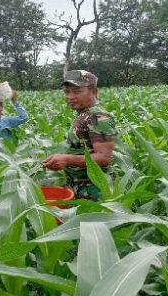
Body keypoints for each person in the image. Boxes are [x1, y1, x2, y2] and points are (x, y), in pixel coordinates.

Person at [42, 70, 116, 200]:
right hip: (79, 185)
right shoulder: (85, 113)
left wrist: (67, 159)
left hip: (92, 189)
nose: (70, 96)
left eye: (76, 91)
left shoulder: (98, 117)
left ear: (94, 92)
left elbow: (104, 158)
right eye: (67, 91)